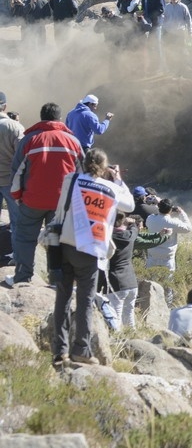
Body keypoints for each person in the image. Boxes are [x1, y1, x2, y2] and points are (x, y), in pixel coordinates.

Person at [50, 149, 134, 366]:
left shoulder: (72, 178)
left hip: (65, 243)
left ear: (84, 163)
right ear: (105, 167)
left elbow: (61, 206)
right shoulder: (111, 187)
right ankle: (81, 350)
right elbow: (130, 206)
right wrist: (118, 180)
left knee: (63, 299)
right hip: (91, 248)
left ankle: (60, 351)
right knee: (86, 301)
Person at [7, 103, 84, 287]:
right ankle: (56, 280)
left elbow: (17, 171)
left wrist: (17, 195)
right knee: (56, 239)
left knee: (25, 238)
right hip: (61, 203)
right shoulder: (73, 141)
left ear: (41, 117)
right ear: (59, 118)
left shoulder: (30, 139)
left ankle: (22, 277)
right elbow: (82, 175)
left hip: (32, 200)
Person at [109, 213, 170, 330]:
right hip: (131, 282)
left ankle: (118, 342)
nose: (141, 229)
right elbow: (145, 239)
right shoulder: (130, 236)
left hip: (116, 282)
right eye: (140, 227)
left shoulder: (110, 237)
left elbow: (143, 237)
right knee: (129, 315)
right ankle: (132, 336)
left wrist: (160, 234)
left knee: (115, 317)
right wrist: (164, 236)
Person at [0, 92, 25, 249]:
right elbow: (24, 156)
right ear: (5, 106)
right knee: (17, 222)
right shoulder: (14, 127)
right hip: (11, 182)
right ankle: (17, 257)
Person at [145, 198, 192, 273]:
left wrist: (158, 205)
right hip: (167, 258)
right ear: (170, 209)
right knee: (167, 283)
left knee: (150, 281)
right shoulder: (173, 222)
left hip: (152, 256)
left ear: (159, 207)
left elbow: (157, 215)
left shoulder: (150, 219)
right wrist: (181, 212)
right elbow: (188, 228)